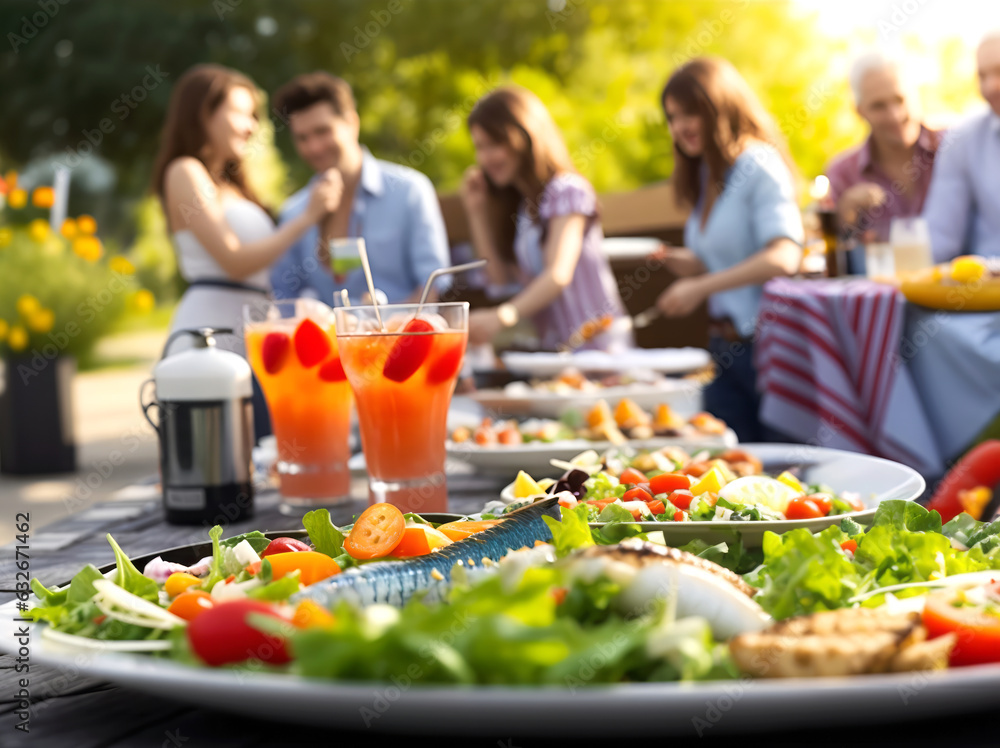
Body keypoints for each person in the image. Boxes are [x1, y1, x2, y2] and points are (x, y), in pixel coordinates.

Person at [654, 57, 803, 442]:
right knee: (732, 467)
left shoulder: (757, 163)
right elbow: (731, 259)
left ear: (720, 105)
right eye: (672, 117)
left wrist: (701, 287)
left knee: (777, 474)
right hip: (724, 350)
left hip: (768, 350)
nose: (680, 127)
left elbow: (785, 256)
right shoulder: (708, 172)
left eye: (690, 113)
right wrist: (691, 265)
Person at [152, 64, 339, 356]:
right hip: (208, 338)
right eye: (241, 113)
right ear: (204, 113)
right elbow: (234, 262)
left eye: (253, 116)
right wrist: (307, 218)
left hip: (250, 336)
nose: (251, 126)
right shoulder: (184, 172)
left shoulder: (234, 186)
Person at [460, 86, 631, 351]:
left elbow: (558, 274)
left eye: (495, 144)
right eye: (479, 148)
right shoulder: (522, 210)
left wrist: (503, 316)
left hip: (600, 350)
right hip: (555, 355)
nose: (485, 158)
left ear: (524, 136)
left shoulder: (567, 190)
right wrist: (476, 212)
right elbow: (499, 281)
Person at [269, 71, 451, 304]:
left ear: (352, 123)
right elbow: (283, 293)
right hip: (326, 340)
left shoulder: (409, 191)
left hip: (401, 337)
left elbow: (433, 282)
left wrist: (387, 333)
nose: (313, 147)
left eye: (322, 131)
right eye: (302, 138)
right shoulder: (294, 212)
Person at [825, 51, 940, 244]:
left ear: (916, 95)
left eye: (899, 100)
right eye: (878, 106)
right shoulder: (843, 174)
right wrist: (846, 217)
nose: (894, 116)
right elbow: (837, 258)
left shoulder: (953, 148)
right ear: (859, 111)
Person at [923, 31, 1000, 261]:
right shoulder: (962, 141)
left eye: (999, 71)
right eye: (982, 76)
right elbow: (940, 239)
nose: (990, 87)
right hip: (989, 290)